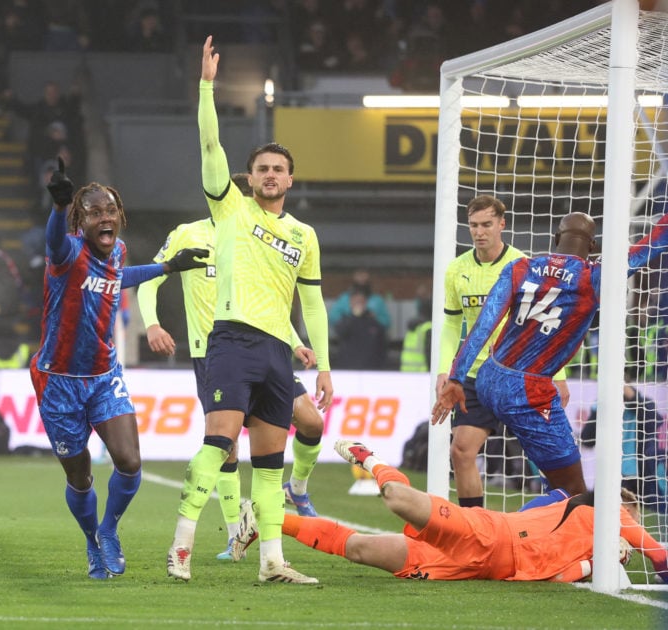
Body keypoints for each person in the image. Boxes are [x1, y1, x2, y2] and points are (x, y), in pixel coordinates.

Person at [167, 36, 333, 585]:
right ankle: (183, 547)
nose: (268, 175)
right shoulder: (231, 209)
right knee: (219, 444)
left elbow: (311, 300)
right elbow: (209, 145)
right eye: (261, 167)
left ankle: (271, 562)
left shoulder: (304, 234)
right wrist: (207, 86)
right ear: (250, 176)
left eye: (277, 169)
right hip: (232, 340)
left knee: (269, 462)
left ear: (290, 179)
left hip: (278, 351)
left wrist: (324, 365)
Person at [29, 158, 207, 580]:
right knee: (81, 477)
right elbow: (54, 242)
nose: (105, 218)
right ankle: (92, 543)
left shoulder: (119, 251)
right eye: (94, 212)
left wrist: (167, 267)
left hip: (105, 375)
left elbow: (119, 276)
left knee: (129, 461)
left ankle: (108, 531)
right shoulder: (68, 251)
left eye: (110, 211)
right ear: (81, 220)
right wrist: (56, 209)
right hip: (59, 381)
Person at [137, 175, 325, 561]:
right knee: (226, 446)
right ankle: (235, 533)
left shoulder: (254, 239)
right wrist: (152, 324)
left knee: (311, 421)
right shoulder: (188, 234)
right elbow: (149, 280)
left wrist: (296, 343)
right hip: (214, 353)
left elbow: (266, 299)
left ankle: (298, 489)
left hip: (263, 348)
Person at [434, 211, 668, 500]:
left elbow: (483, 325)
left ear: (556, 238)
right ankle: (511, 538)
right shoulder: (594, 276)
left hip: (488, 376)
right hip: (528, 391)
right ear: (592, 246)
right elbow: (652, 245)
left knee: (544, 476)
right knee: (574, 493)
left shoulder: (520, 266)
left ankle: (492, 527)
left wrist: (456, 377)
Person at [244, 438, 668, 582]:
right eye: (628, 508)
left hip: (476, 568)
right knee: (397, 500)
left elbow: (555, 576)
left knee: (360, 550)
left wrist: (597, 565)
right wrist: (617, 551)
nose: (630, 516)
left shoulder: (591, 548)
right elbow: (661, 558)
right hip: (487, 534)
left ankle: (265, 518)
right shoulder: (596, 511)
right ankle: (369, 457)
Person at [435, 195, 569, 508]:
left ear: (501, 224)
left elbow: (544, 323)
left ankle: (566, 521)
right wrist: (445, 369)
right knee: (462, 451)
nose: (479, 232)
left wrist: (558, 375)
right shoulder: (456, 270)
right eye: (473, 225)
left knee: (550, 457)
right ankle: (475, 529)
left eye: (486, 224)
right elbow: (452, 325)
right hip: (475, 375)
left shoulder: (524, 266)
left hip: (519, 374)